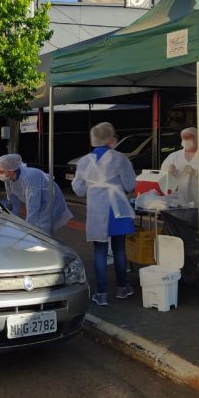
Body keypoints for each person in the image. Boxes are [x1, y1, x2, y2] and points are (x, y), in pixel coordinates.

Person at [71, 122, 137, 306]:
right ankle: (122, 288)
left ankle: (101, 294)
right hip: (117, 207)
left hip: (96, 208)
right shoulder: (120, 158)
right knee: (119, 249)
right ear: (110, 138)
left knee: (99, 251)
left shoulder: (83, 161)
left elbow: (78, 189)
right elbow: (130, 184)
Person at [0, 154, 73, 235]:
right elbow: (13, 201)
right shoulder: (8, 180)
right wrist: (11, 220)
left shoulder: (29, 177)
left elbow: (33, 206)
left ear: (11, 170)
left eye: (1, 171)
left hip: (49, 200)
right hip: (38, 200)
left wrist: (27, 229)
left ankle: (44, 243)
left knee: (43, 229)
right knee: (36, 225)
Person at [159, 127, 199, 209]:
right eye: (184, 138)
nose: (186, 140)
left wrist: (197, 173)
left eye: (189, 138)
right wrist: (169, 172)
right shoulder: (173, 156)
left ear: (197, 138)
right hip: (179, 203)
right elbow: (162, 177)